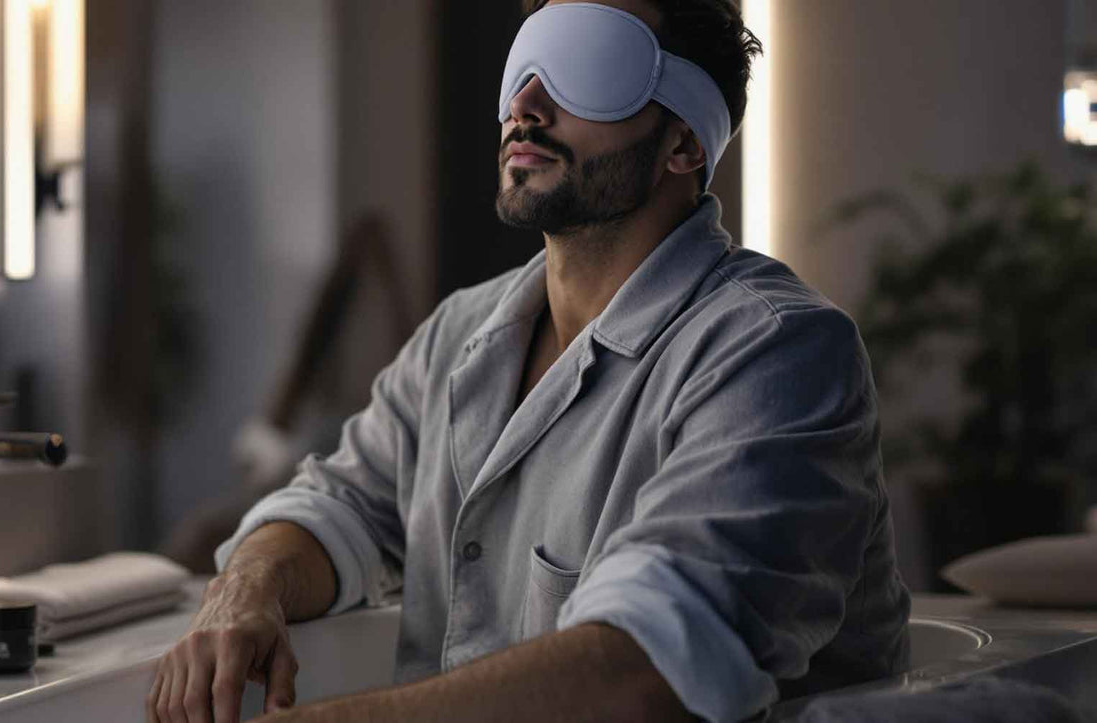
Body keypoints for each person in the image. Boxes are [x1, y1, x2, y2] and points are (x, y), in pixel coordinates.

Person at [147, 0, 910, 721]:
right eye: (525, 64)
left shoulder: (775, 353)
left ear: (683, 143)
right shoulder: (461, 333)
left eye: (589, 64)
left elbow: (651, 671)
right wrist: (247, 589)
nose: (527, 105)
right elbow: (341, 503)